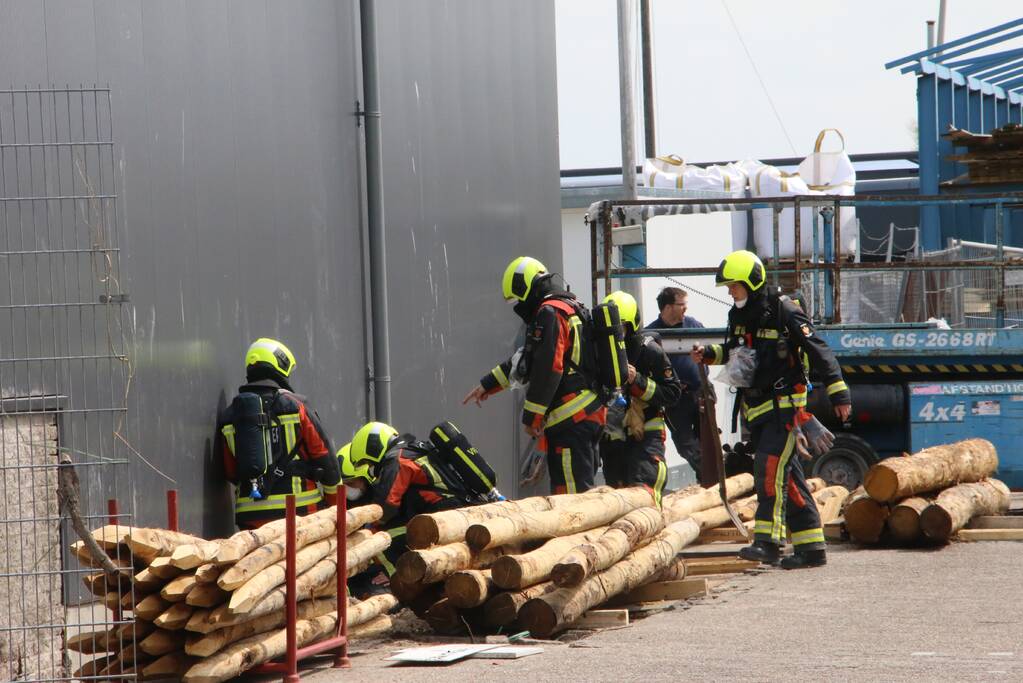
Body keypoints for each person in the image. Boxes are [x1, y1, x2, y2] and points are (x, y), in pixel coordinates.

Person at [690, 251, 851, 570]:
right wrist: (711, 353)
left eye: (734, 286)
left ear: (751, 282)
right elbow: (739, 351)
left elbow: (818, 350)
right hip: (759, 410)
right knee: (788, 479)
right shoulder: (738, 315)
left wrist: (839, 393)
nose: (730, 292)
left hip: (787, 410)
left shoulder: (784, 310)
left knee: (768, 471)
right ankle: (811, 547)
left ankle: (769, 542)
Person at [463, 257, 605, 494]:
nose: (520, 305)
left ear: (526, 287)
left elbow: (549, 368)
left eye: (519, 298)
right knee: (578, 490)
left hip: (572, 417)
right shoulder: (571, 307)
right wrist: (486, 385)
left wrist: (532, 417)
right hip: (584, 415)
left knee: (571, 499)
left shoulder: (550, 312)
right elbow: (527, 360)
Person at [219, 338, 341, 530]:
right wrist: (336, 508)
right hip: (298, 514)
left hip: (250, 518)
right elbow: (326, 460)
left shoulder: (229, 415)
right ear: (280, 366)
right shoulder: (297, 406)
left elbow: (230, 471)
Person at [348, 421, 466, 577]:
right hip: (454, 511)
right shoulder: (414, 450)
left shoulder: (396, 459)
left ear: (373, 449)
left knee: (380, 541)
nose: (370, 467)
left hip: (440, 517)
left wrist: (367, 526)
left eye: (368, 462)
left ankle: (400, 587)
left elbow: (386, 507)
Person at [600, 291, 681, 506]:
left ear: (633, 326)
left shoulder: (649, 352)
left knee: (644, 485)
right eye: (611, 330)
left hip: (646, 432)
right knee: (615, 493)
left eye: (622, 328)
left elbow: (673, 393)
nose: (617, 336)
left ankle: (651, 525)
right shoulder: (600, 354)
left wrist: (639, 381)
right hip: (613, 436)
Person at [646, 286, 705, 476]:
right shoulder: (651, 335)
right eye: (682, 306)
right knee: (685, 443)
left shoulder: (693, 325)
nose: (685, 311)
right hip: (674, 400)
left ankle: (709, 478)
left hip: (699, 393)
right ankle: (708, 475)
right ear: (668, 307)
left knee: (708, 439)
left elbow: (710, 350)